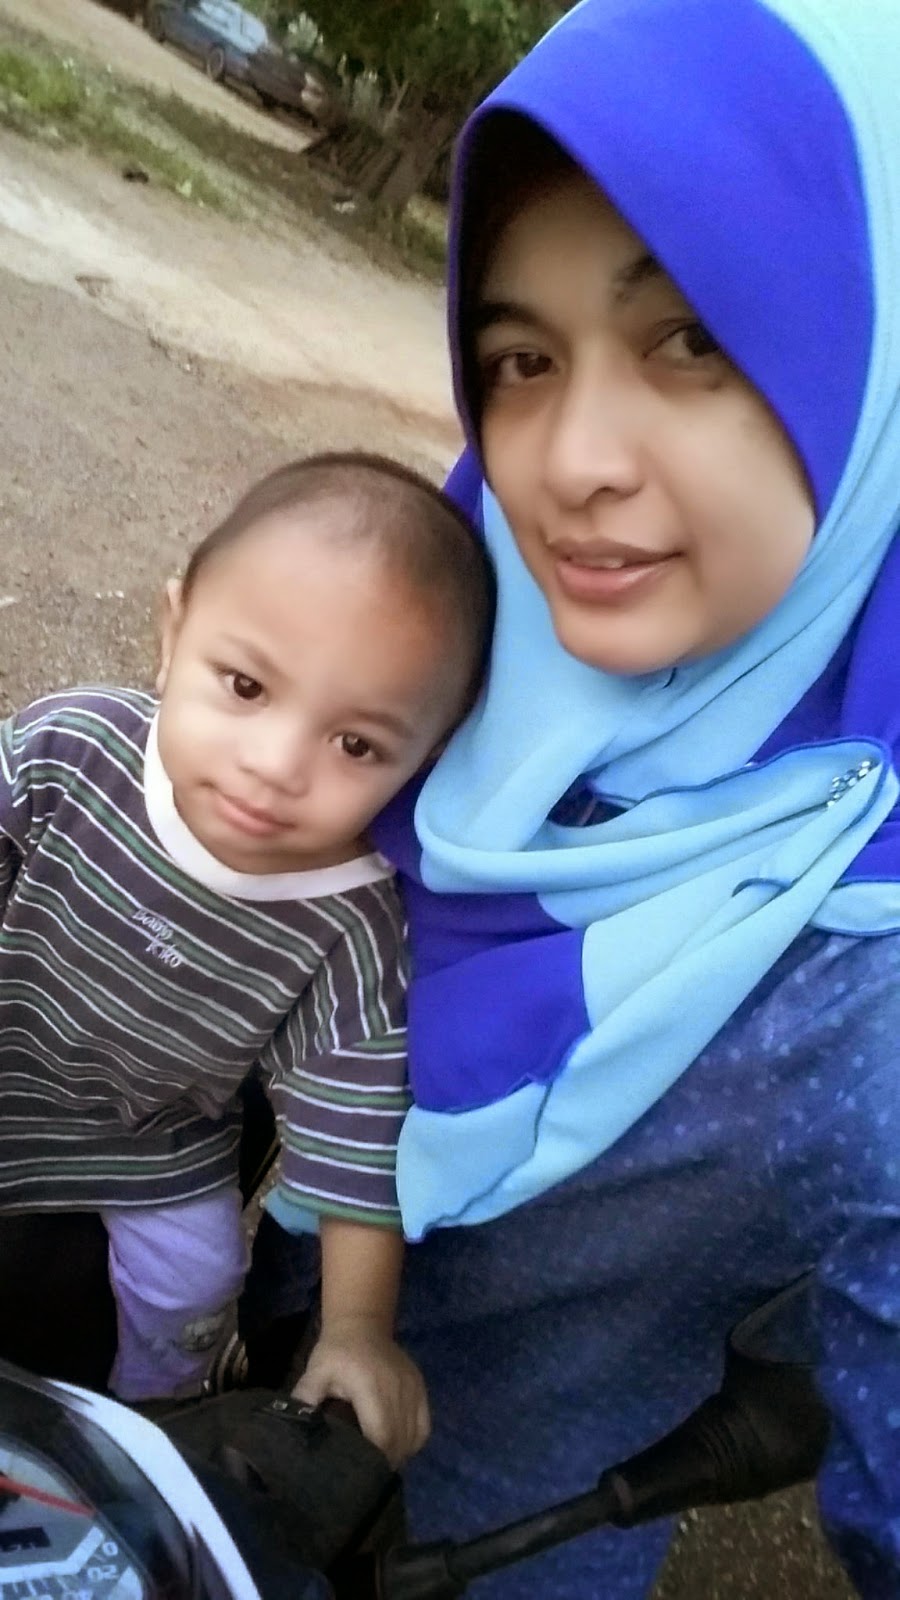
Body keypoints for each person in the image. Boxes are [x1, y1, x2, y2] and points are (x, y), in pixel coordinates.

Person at [356, 0, 900, 1593]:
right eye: (521, 360)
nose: (571, 460)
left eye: (694, 340)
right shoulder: (454, 619)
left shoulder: (864, 977)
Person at [0, 450, 493, 1467]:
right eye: (245, 685)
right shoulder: (73, 748)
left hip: (158, 1142)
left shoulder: (351, 917)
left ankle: (155, 1426)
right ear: (173, 630)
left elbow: (354, 1132)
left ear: (427, 758)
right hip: (14, 1060)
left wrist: (356, 1328)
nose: (275, 765)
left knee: (194, 1282)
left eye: (357, 745)